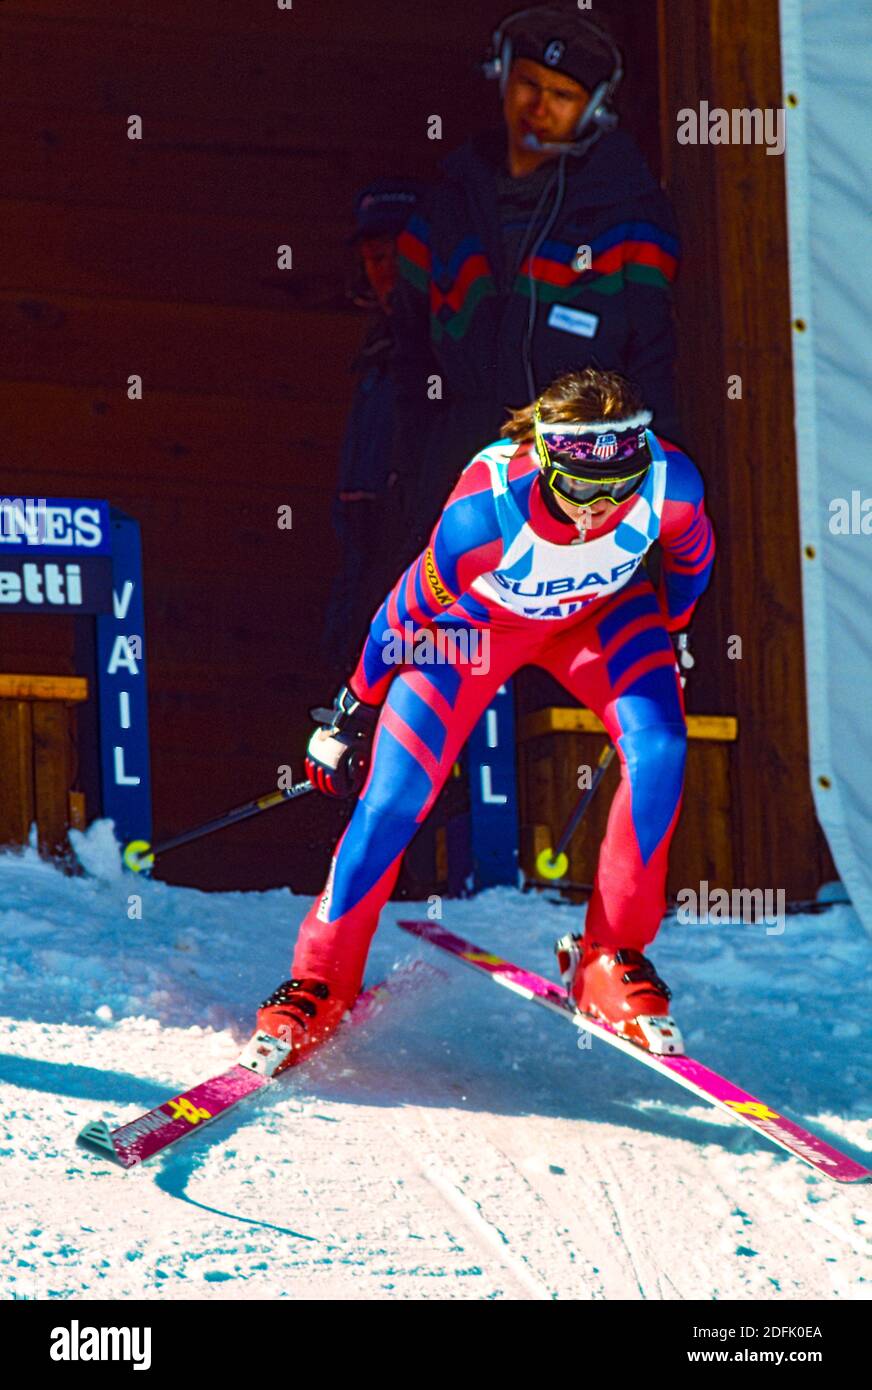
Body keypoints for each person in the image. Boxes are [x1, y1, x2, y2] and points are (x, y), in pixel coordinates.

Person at [257, 367, 714, 1066]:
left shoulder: (669, 483)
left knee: (661, 752)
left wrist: (675, 632)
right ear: (545, 461)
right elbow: (404, 613)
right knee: (397, 793)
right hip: (473, 630)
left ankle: (610, 956)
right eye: (581, 489)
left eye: (619, 488)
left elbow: (692, 556)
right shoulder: (486, 513)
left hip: (599, 618)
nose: (600, 508)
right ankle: (320, 978)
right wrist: (350, 712)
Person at [390, 4, 682, 557]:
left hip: (586, 488)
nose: (538, 107)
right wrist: (412, 470)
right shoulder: (443, 209)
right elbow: (407, 360)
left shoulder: (629, 215)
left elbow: (655, 362)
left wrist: (648, 496)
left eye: (562, 95)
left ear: (594, 109)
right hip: (459, 489)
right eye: (527, 84)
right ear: (502, 80)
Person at [320, 180, 422, 679]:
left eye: (395, 256)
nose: (385, 273)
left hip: (420, 578)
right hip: (366, 576)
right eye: (374, 259)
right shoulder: (376, 354)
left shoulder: (452, 347)